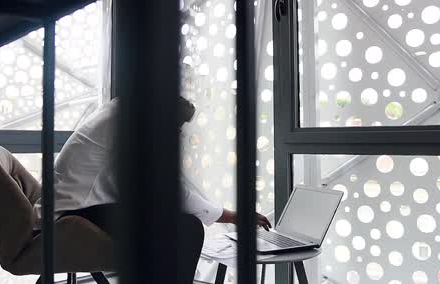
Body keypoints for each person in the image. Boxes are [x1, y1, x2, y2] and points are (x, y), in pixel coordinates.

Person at [31, 96, 271, 283]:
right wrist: (233, 216)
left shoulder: (118, 111)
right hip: (70, 221)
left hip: (70, 212)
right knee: (187, 228)